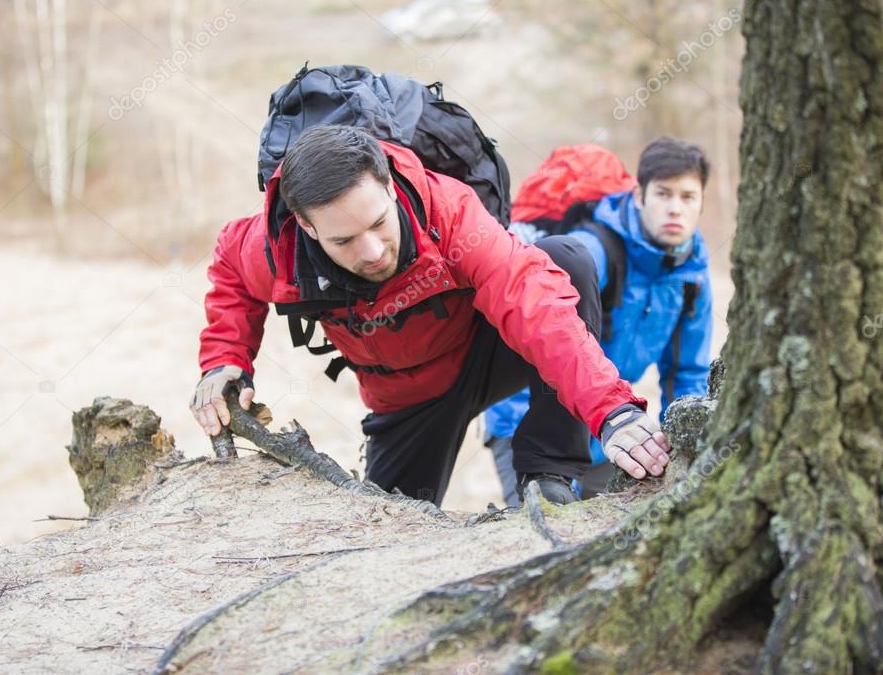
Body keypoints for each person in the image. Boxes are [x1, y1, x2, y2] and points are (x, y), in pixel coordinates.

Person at [190, 125, 671, 507]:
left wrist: (613, 411)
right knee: (388, 525)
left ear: (389, 188)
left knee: (565, 259)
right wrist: (225, 358)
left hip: (486, 349)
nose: (373, 250)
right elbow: (231, 264)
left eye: (379, 222)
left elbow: (533, 301)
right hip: (408, 398)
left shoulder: (450, 210)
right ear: (308, 228)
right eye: (344, 241)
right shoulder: (274, 247)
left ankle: (547, 474)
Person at [485, 136, 714, 503]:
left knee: (603, 539)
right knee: (548, 535)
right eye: (663, 194)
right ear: (639, 196)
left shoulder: (692, 276)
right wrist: (518, 434)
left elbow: (686, 374)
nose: (675, 209)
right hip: (528, 424)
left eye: (688, 197)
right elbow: (545, 327)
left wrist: (687, 446)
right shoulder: (592, 249)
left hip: (613, 430)